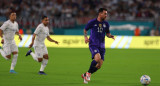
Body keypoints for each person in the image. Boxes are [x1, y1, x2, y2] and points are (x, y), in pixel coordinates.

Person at [81, 8, 115, 84]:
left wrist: (110, 36)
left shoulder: (106, 24)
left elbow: (107, 33)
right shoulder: (92, 22)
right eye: (105, 13)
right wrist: (86, 37)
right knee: (97, 58)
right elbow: (85, 30)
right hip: (93, 44)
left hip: (102, 46)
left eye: (106, 14)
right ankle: (88, 74)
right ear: (100, 13)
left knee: (99, 66)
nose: (106, 15)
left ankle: (85, 74)